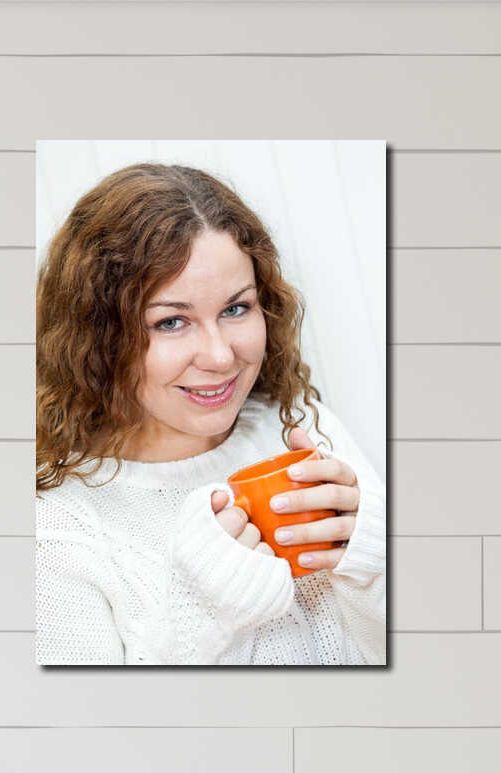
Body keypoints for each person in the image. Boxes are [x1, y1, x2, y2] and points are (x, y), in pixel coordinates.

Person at [35, 162, 386, 665]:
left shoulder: (298, 428)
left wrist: (376, 560)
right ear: (97, 336)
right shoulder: (57, 525)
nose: (221, 356)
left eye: (236, 309)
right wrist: (203, 604)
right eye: (172, 321)